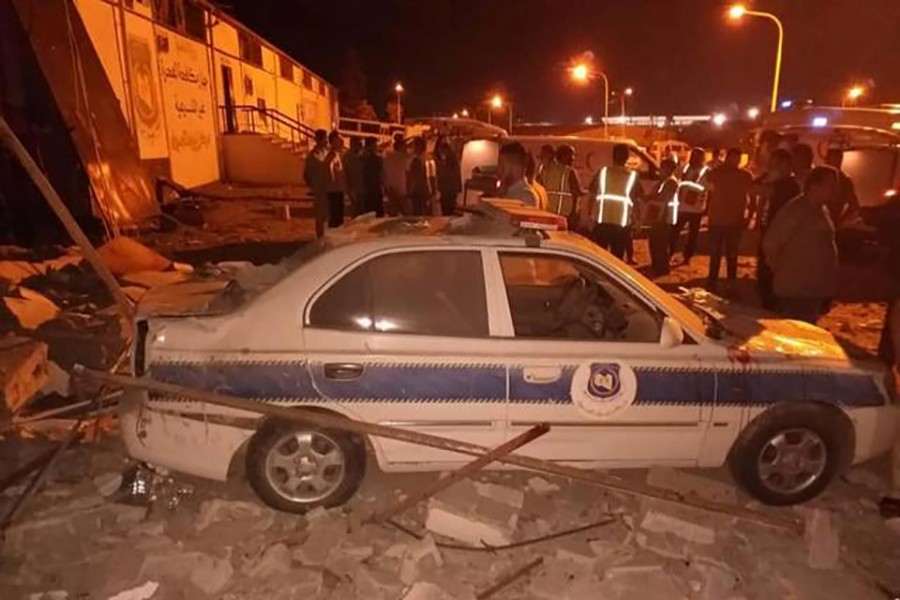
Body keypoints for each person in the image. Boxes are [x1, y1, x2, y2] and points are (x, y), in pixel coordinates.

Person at [762, 166, 840, 324]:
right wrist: (785, 273)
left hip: (814, 289)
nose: (834, 190)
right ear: (814, 186)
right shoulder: (795, 210)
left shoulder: (822, 210)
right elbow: (771, 245)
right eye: (829, 185)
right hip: (796, 291)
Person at [755, 148, 801, 309]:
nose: (770, 165)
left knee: (772, 271)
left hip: (780, 236)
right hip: (770, 232)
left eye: (773, 162)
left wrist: (766, 177)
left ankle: (773, 304)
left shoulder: (790, 185)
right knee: (765, 271)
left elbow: (757, 189)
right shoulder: (779, 183)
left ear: (783, 164)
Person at [705, 148, 752, 293]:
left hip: (734, 221)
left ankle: (730, 282)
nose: (735, 162)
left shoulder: (745, 176)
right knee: (716, 253)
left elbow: (753, 196)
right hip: (718, 220)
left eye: (737, 159)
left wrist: (749, 216)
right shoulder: (715, 173)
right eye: (733, 159)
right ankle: (713, 280)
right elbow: (707, 190)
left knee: (731, 254)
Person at [589, 143, 641, 259]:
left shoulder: (603, 172)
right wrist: (638, 220)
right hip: (621, 225)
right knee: (616, 259)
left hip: (602, 222)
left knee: (599, 257)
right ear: (627, 158)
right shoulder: (632, 176)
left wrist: (590, 216)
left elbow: (592, 195)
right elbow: (636, 200)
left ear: (613, 156)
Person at [670, 147, 709, 264]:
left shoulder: (706, 171)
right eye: (693, 155)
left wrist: (707, 207)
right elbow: (674, 180)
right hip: (681, 206)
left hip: (696, 208)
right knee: (674, 232)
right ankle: (669, 253)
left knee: (692, 236)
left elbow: (709, 189)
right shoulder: (684, 168)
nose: (694, 158)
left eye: (697, 156)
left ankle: (687, 257)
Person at [645, 157, 679, 276]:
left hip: (664, 218)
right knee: (654, 243)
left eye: (662, 168)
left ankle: (662, 268)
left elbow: (663, 197)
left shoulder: (671, 182)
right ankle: (656, 265)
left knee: (660, 244)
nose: (660, 170)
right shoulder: (663, 181)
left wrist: (649, 198)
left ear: (669, 169)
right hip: (658, 217)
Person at [541, 145, 583, 228]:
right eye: (570, 155)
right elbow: (576, 192)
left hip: (547, 213)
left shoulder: (546, 170)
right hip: (564, 215)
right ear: (563, 155)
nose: (573, 158)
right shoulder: (570, 172)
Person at [303, 129, 330, 238]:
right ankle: (320, 238)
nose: (327, 141)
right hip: (319, 190)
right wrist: (313, 187)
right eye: (325, 138)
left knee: (329, 215)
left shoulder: (327, 153)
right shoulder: (313, 156)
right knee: (320, 216)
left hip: (329, 189)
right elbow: (306, 174)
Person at [824, 148, 860, 227]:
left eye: (837, 160)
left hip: (831, 222)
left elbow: (854, 205)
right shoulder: (819, 177)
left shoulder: (844, 181)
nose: (834, 163)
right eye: (832, 160)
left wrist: (840, 221)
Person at [497, 141, 539, 206]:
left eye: (501, 165)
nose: (498, 170)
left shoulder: (525, 196)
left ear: (514, 165)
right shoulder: (509, 192)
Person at [324, 130, 346, 228]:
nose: (341, 141)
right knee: (336, 216)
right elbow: (328, 164)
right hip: (334, 190)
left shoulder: (337, 154)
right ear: (333, 141)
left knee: (338, 215)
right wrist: (331, 178)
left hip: (337, 189)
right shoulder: (332, 154)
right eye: (339, 139)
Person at [407, 137, 434, 216]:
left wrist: (409, 191)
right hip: (422, 191)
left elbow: (415, 178)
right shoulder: (426, 160)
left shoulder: (415, 161)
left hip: (417, 192)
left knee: (416, 214)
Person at [384, 134, 410, 215]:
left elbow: (384, 175)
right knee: (406, 215)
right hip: (403, 191)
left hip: (391, 190)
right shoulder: (405, 158)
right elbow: (408, 174)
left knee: (393, 215)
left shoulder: (387, 158)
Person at [434, 141, 462, 216]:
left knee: (447, 209)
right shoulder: (452, 161)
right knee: (449, 209)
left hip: (448, 190)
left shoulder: (449, 163)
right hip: (449, 190)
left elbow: (447, 175)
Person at [361, 137, 384, 216]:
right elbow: (381, 173)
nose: (376, 146)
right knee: (377, 214)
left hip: (366, 189)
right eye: (375, 144)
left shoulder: (362, 157)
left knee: (368, 214)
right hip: (374, 188)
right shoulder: (376, 159)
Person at [344, 136, 365, 216]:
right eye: (358, 144)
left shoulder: (361, 155)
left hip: (362, 188)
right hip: (354, 188)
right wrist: (349, 189)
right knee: (356, 212)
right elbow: (346, 174)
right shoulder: (348, 157)